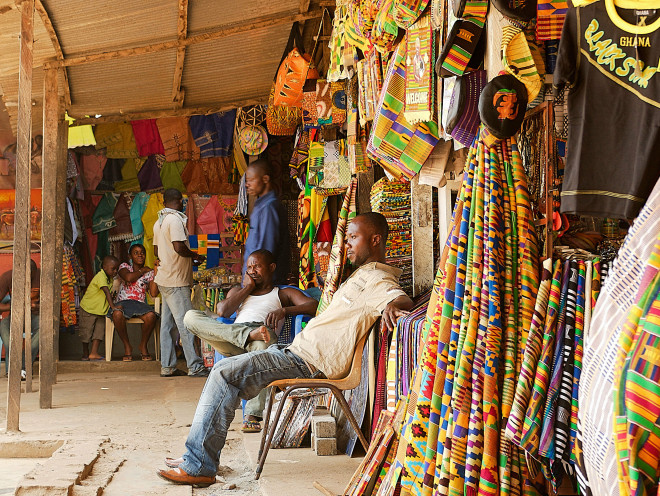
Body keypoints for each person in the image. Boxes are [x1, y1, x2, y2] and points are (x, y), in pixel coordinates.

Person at [157, 213, 414, 487]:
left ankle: (198, 464)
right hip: (296, 352)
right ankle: (199, 458)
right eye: (347, 237)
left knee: (223, 374)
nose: (346, 244)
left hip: (309, 361)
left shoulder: (377, 278)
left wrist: (391, 305)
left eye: (353, 237)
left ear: (375, 240)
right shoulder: (361, 275)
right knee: (223, 371)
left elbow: (399, 298)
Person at [184, 248, 318, 433]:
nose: (252, 270)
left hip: (262, 337)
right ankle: (247, 335)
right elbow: (223, 311)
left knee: (264, 351)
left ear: (271, 267)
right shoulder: (239, 291)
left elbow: (312, 305)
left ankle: (252, 415)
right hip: (233, 336)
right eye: (249, 267)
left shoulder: (282, 293)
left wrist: (284, 311)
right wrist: (247, 288)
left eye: (257, 266)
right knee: (190, 316)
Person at [153, 188, 208, 378]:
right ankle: (195, 365)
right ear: (180, 201)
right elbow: (178, 247)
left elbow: (156, 252)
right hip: (176, 280)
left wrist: (186, 259)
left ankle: (167, 366)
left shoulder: (158, 222)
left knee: (167, 325)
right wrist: (195, 256)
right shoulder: (175, 220)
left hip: (164, 278)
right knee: (186, 323)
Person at [243, 159, 290, 285]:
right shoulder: (261, 206)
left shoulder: (268, 208)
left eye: (251, 180)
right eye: (247, 181)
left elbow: (265, 252)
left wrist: (253, 282)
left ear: (265, 179)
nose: (247, 185)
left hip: (262, 283)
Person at [110, 244, 160, 361]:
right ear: (130, 256)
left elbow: (153, 293)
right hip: (123, 302)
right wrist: (142, 270)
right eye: (136, 253)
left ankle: (143, 345)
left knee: (151, 316)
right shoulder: (125, 266)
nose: (140, 255)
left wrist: (156, 271)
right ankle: (127, 346)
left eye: (142, 252)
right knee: (117, 314)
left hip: (139, 305)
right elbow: (128, 278)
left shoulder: (149, 273)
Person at [0, 259, 40, 378]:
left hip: (35, 315)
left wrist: (35, 305)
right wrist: (11, 306)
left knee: (44, 329)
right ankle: (13, 370)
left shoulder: (42, 277)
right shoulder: (8, 277)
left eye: (29, 275)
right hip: (16, 315)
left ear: (34, 272)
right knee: (5, 330)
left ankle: (22, 367)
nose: (25, 278)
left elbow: (52, 304)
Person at [79, 256, 121, 361]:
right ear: (104, 267)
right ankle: (85, 353)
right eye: (113, 269)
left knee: (99, 332)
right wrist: (113, 307)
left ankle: (94, 353)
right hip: (89, 308)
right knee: (86, 332)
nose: (115, 271)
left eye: (117, 269)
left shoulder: (110, 278)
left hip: (101, 311)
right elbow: (106, 291)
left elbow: (109, 294)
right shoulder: (100, 276)